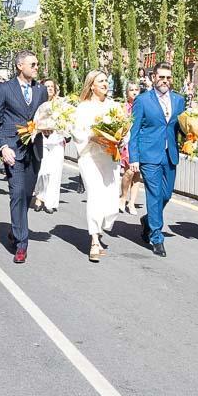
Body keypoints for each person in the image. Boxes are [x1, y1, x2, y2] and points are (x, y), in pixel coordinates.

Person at [0, 50, 48, 263]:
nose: (36, 68)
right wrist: (3, 147)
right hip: (13, 150)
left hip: (34, 150)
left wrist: (48, 128)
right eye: (32, 64)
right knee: (16, 193)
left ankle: (15, 229)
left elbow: (43, 117)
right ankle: (22, 243)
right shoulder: (5, 89)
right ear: (20, 66)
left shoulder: (41, 90)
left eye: (37, 65)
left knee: (26, 195)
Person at [128, 63, 185, 258]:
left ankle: (148, 220)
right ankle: (156, 236)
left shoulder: (179, 100)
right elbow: (133, 131)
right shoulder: (143, 101)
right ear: (153, 78)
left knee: (166, 194)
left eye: (168, 78)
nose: (165, 81)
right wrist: (134, 157)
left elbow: (181, 128)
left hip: (170, 155)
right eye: (161, 77)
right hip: (149, 155)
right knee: (154, 193)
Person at [72, 71, 126, 262]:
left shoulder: (115, 106)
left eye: (106, 81)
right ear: (91, 85)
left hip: (110, 157)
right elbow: (77, 131)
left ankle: (101, 227)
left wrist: (120, 139)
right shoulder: (84, 108)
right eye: (101, 81)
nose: (105, 84)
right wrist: (92, 136)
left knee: (111, 201)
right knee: (95, 195)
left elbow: (124, 128)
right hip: (90, 157)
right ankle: (94, 240)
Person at [32, 79, 64, 214]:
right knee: (42, 171)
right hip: (42, 140)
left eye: (52, 86)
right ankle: (39, 196)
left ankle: (50, 202)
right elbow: (33, 122)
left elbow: (67, 121)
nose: (50, 88)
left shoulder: (62, 105)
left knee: (55, 172)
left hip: (57, 141)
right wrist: (41, 128)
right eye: (47, 86)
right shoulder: (37, 103)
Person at [119, 81, 143, 214]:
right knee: (129, 172)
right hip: (128, 141)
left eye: (136, 89)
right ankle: (123, 197)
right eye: (131, 90)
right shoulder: (124, 107)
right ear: (126, 93)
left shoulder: (143, 105)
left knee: (137, 173)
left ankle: (132, 203)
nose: (134, 92)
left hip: (141, 142)